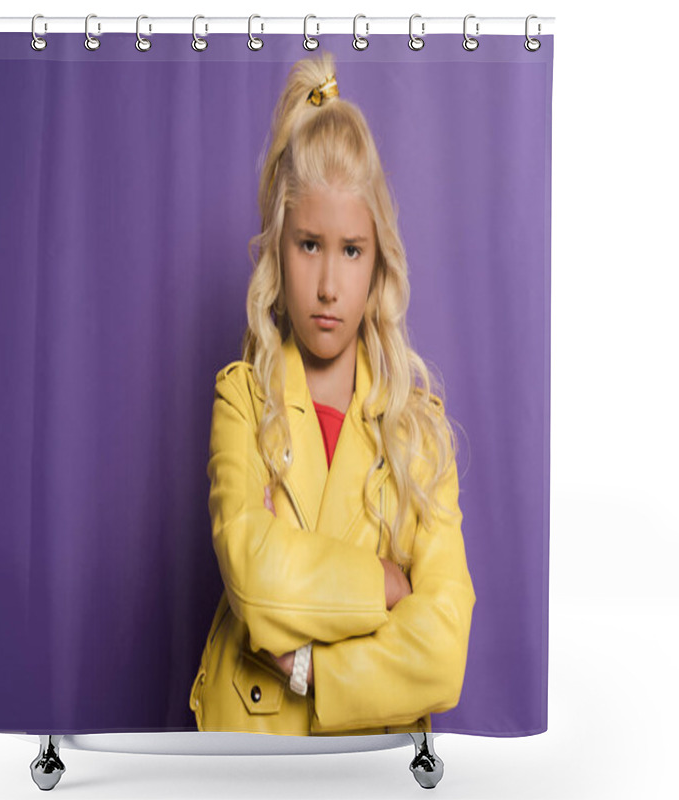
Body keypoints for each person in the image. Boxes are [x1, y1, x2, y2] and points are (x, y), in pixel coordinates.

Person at [189, 51, 476, 736]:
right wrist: (385, 583)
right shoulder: (242, 402)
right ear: (277, 250)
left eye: (351, 250)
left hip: (368, 757)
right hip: (244, 745)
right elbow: (256, 584)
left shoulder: (420, 429)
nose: (327, 285)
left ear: (379, 261)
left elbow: (444, 652)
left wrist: (309, 667)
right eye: (309, 244)